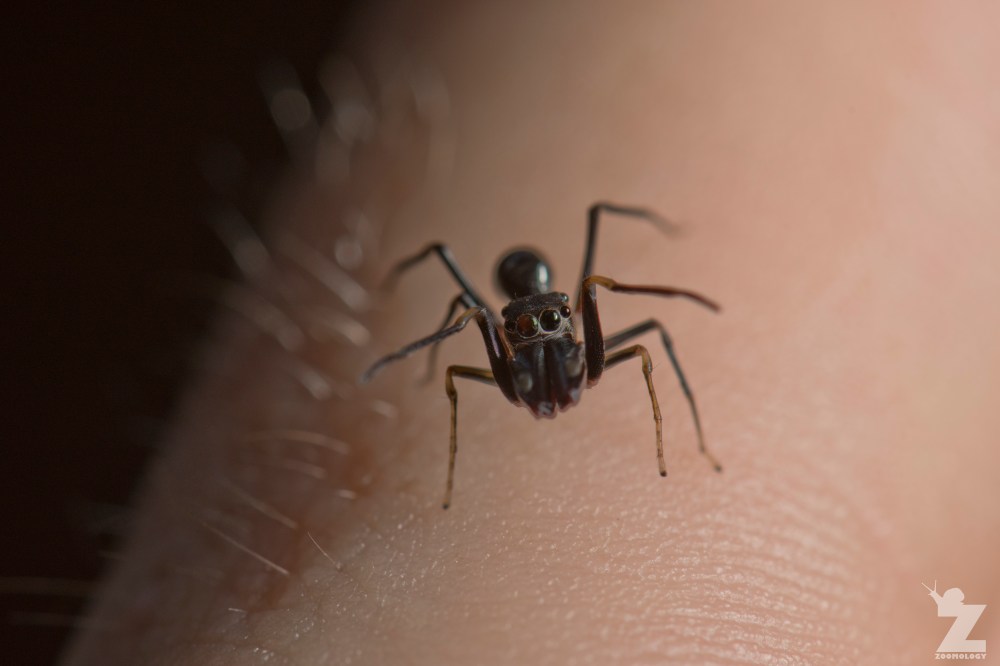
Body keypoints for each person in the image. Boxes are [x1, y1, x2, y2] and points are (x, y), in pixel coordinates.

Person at [65, 3, 1000, 663]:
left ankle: (690, 439)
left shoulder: (577, 319)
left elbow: (615, 310)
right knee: (455, 290)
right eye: (538, 326)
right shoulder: (500, 332)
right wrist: (425, 352)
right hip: (491, 289)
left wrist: (683, 429)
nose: (549, 335)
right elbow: (464, 299)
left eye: (552, 325)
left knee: (641, 321)